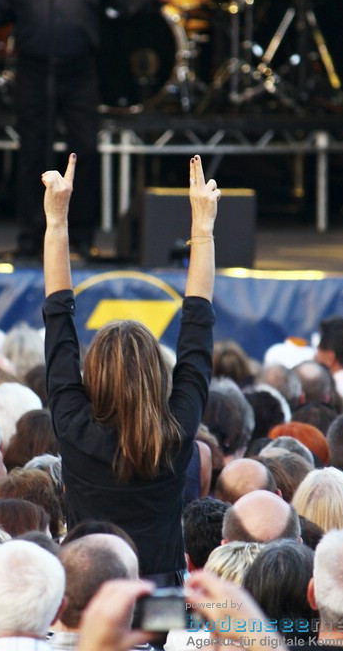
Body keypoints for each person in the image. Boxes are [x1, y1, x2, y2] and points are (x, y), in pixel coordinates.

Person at [41, 153, 219, 582]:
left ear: (92, 373)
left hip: (86, 587)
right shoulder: (175, 430)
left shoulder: (73, 422)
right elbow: (197, 324)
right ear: (159, 373)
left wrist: (57, 223)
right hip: (160, 596)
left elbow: (58, 317)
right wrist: (203, 229)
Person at [0, 0, 171, 258]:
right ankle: (31, 239)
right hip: (33, 71)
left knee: (84, 152)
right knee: (34, 152)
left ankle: (79, 238)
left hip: (80, 73)